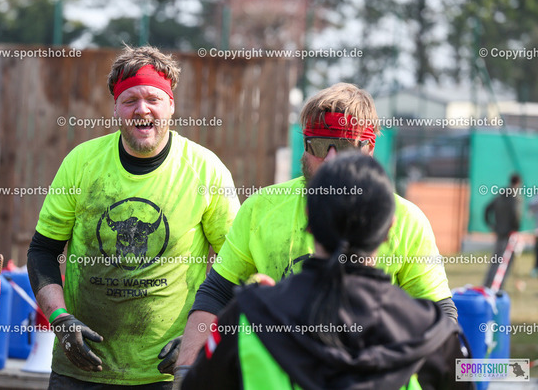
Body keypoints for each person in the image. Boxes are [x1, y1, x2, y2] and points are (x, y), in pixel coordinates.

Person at [172, 83, 458, 382]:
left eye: (345, 147)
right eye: (320, 146)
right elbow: (217, 292)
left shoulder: (409, 220)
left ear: (369, 148)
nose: (331, 160)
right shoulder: (262, 207)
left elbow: (442, 311)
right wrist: (186, 365)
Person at [26, 45, 240, 388]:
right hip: (80, 369)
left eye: (153, 99)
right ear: (115, 108)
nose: (142, 109)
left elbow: (237, 266)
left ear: (171, 105)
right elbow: (42, 251)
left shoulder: (205, 170)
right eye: (130, 100)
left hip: (168, 372)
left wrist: (197, 338)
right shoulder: (82, 164)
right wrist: (60, 320)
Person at [181, 153, 469, 390]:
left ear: (308, 217)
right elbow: (466, 374)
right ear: (390, 227)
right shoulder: (432, 332)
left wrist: (263, 303)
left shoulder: (249, 317)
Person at [483, 173, 522, 288]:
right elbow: (516, 215)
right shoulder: (515, 197)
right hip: (509, 234)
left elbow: (487, 208)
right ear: (518, 183)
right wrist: (515, 228)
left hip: (499, 232)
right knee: (505, 261)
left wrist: (491, 225)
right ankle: (498, 286)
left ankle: (488, 284)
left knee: (495, 260)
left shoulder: (501, 194)